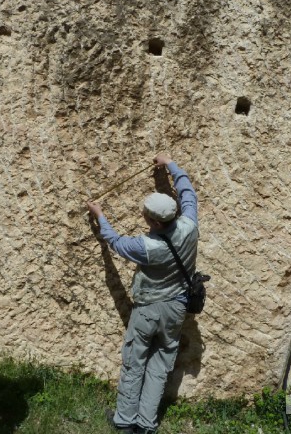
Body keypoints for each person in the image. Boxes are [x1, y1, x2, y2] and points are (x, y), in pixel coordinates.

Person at [87, 153, 199, 434]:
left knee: (134, 361)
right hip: (175, 307)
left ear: (155, 222)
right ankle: (146, 424)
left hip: (148, 308)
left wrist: (100, 215)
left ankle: (125, 420)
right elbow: (187, 191)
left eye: (146, 215)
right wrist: (170, 163)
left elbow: (114, 241)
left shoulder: (145, 247)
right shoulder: (189, 226)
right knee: (161, 364)